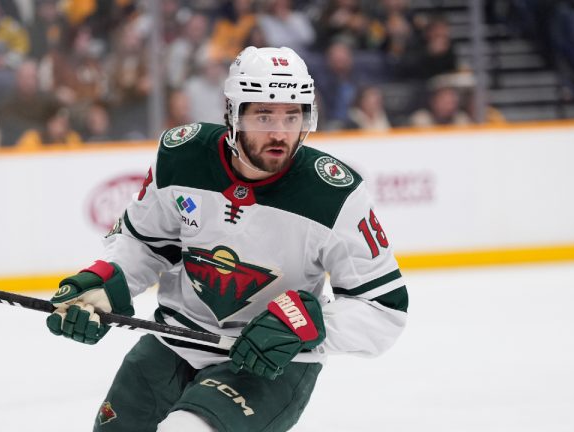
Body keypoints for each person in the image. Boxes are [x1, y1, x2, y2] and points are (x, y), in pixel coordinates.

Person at [45, 46, 409, 432]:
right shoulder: (182, 156)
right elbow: (146, 244)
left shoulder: (334, 194)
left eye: (292, 116)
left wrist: (306, 324)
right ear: (232, 115)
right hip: (175, 340)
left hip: (270, 364)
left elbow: (384, 311)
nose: (279, 133)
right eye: (264, 115)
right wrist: (107, 283)